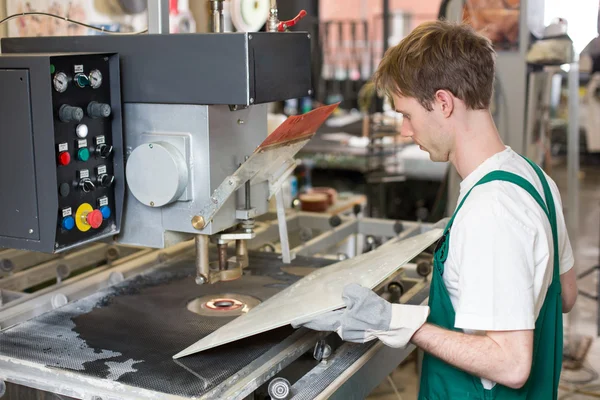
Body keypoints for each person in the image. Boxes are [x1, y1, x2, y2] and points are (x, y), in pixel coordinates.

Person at [292, 20, 578, 398]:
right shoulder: (535, 179)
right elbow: (566, 295)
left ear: (443, 103)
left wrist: (398, 323)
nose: (406, 131)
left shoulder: (489, 211)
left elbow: (511, 364)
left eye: (407, 115)